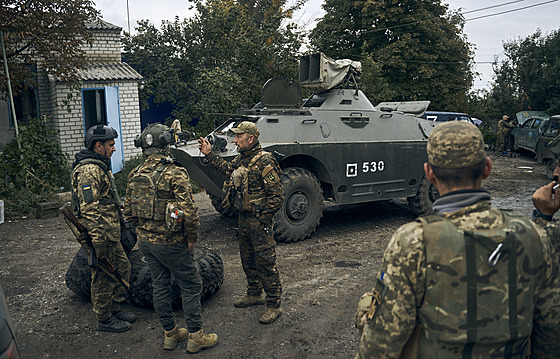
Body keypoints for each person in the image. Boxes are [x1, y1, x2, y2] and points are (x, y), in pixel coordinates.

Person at [355, 121, 560, 358]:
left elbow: (381, 343)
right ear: (487, 168)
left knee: (366, 306)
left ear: (429, 173)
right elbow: (550, 332)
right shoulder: (535, 235)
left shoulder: (412, 241)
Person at [124, 123, 218, 353]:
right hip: (172, 242)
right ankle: (196, 336)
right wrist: (191, 238)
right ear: (166, 145)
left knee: (160, 286)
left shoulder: (134, 173)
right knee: (191, 284)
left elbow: (128, 212)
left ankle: (170, 334)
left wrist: (144, 230)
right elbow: (190, 211)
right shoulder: (174, 172)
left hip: (147, 243)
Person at [198, 121, 284, 324]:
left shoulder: (265, 161)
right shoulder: (242, 159)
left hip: (258, 222)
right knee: (247, 259)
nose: (235, 140)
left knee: (266, 263)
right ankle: (254, 293)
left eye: (238, 137)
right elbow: (227, 169)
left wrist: (263, 218)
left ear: (251, 139)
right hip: (244, 219)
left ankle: (274, 304)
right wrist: (209, 154)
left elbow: (277, 196)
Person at [71, 124, 135, 333]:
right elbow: (89, 210)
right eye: (110, 145)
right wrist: (97, 241)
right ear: (98, 146)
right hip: (101, 234)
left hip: (111, 232)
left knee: (123, 268)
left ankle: (114, 308)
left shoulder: (100, 167)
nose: (114, 148)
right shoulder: (89, 171)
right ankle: (104, 318)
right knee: (102, 276)